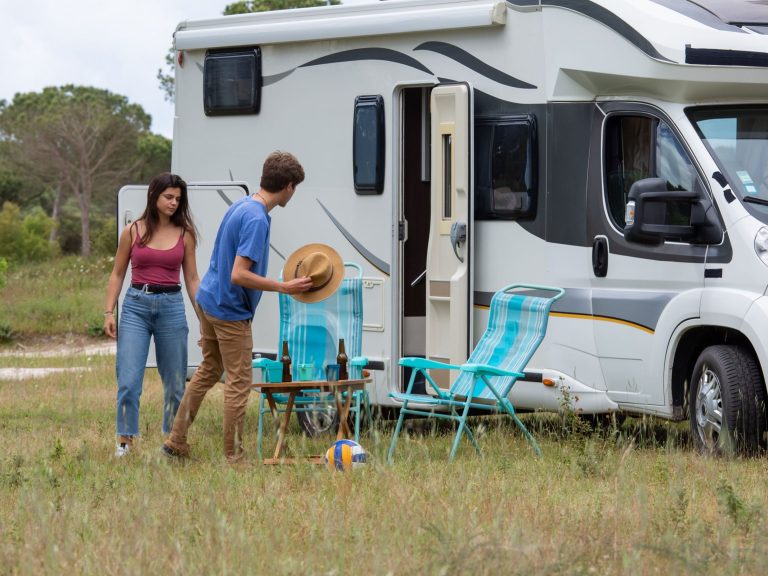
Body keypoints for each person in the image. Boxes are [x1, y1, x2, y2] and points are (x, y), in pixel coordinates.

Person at [162, 151, 313, 463]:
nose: (293, 193)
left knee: (208, 370)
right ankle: (234, 457)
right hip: (229, 310)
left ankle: (176, 440)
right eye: (294, 187)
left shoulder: (242, 205)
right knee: (239, 384)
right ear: (287, 186)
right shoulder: (257, 218)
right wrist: (283, 286)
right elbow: (239, 273)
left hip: (208, 299)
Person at [103, 173, 199, 458]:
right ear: (154, 197)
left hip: (171, 305)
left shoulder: (185, 234)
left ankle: (173, 442)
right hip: (135, 306)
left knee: (174, 381)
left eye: (178, 199)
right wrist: (109, 311)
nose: (173, 203)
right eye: (168, 197)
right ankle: (125, 441)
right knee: (129, 380)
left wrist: (205, 321)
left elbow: (193, 279)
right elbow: (117, 273)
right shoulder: (132, 231)